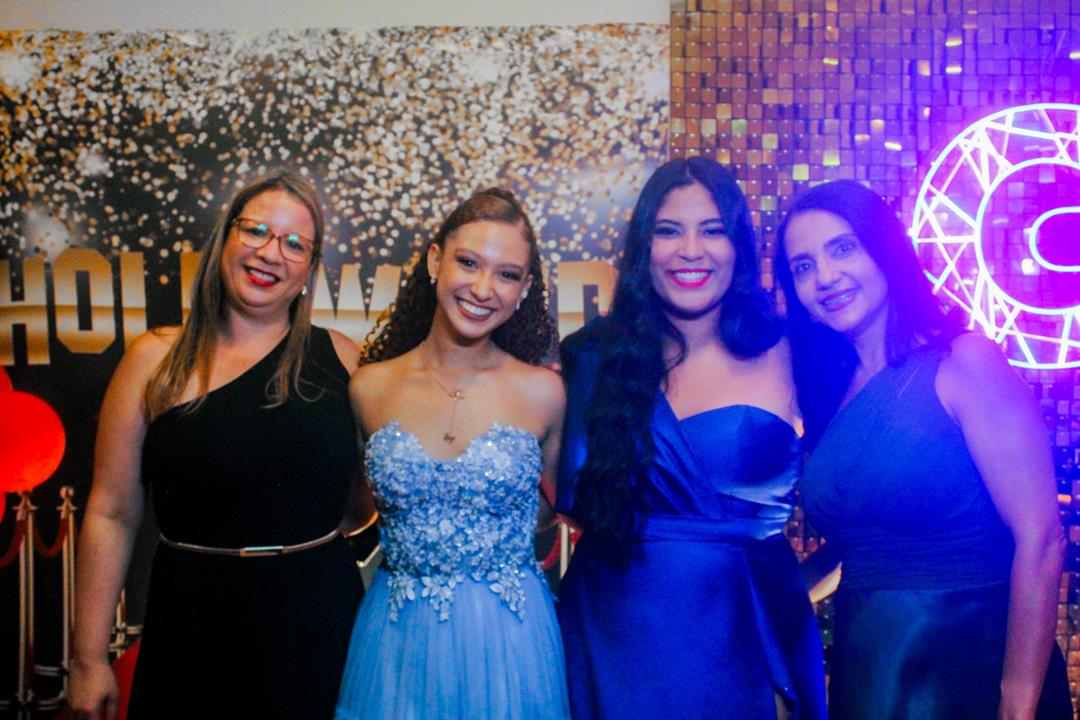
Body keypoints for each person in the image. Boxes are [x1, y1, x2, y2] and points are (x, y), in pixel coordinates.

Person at [69, 170, 370, 719]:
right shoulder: (153, 360)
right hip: (191, 625)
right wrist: (88, 659)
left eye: (295, 244)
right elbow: (111, 513)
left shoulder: (344, 360)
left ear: (308, 270)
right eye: (256, 231)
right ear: (225, 239)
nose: (271, 253)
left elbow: (360, 506)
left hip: (317, 628)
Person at [776, 179, 1072, 720]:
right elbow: (862, 546)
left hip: (968, 668)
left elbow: (1042, 539)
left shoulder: (966, 361)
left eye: (843, 248)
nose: (825, 276)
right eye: (803, 265)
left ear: (884, 250)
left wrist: (1017, 702)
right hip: (870, 670)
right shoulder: (829, 396)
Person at [556, 157, 827, 720]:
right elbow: (564, 502)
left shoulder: (796, 351)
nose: (691, 251)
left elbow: (862, 513)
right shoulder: (592, 358)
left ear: (739, 246)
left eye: (712, 230)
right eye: (668, 231)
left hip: (746, 642)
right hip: (609, 638)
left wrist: (782, 591)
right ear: (643, 247)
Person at [334, 188, 570, 720]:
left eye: (507, 274)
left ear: (524, 289)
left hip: (511, 641)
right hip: (395, 639)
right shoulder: (369, 387)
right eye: (468, 263)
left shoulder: (544, 393)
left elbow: (551, 511)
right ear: (434, 260)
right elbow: (352, 512)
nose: (483, 288)